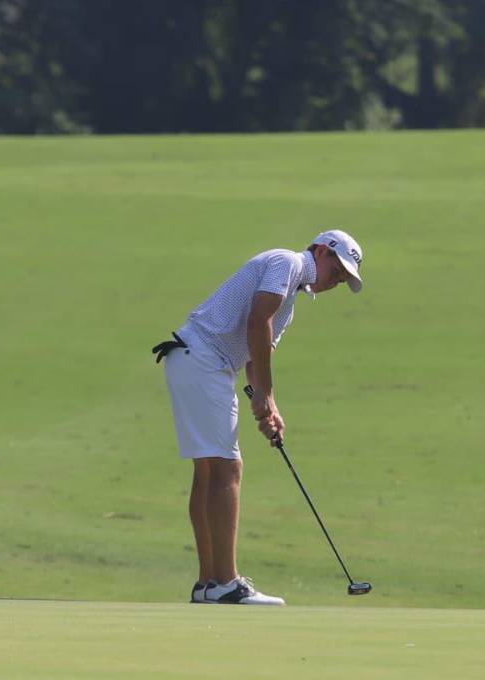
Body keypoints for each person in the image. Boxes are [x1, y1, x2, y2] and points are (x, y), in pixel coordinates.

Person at [153, 230, 364, 605]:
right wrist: (264, 394)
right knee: (227, 470)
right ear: (320, 250)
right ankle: (226, 582)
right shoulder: (287, 262)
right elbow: (256, 323)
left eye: (345, 277)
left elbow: (253, 356)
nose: (337, 280)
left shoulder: (290, 302)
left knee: (209, 471)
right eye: (338, 268)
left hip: (200, 362)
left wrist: (266, 405)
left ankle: (208, 584)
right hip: (202, 359)